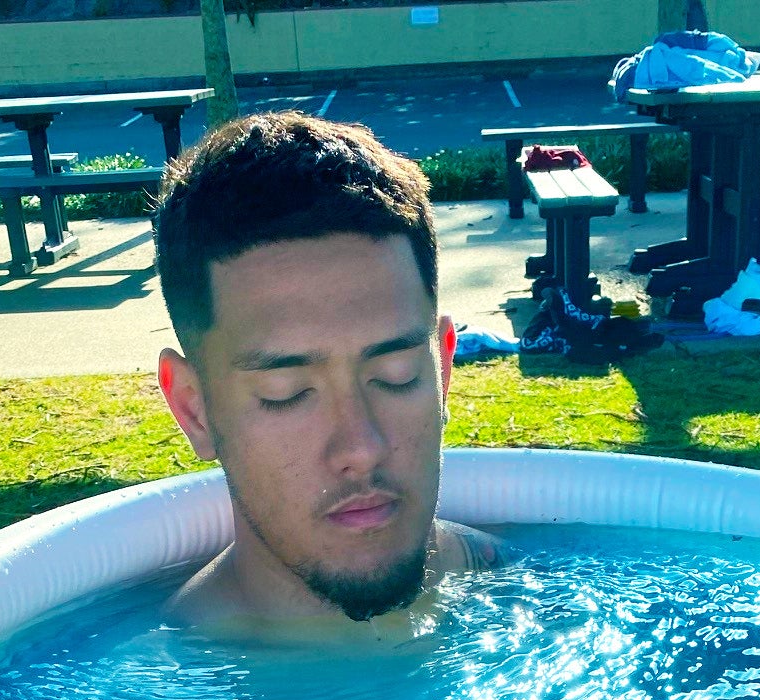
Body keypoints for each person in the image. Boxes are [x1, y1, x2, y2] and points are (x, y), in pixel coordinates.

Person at [152, 111, 500, 638]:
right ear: (194, 410)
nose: (361, 449)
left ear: (444, 371)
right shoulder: (151, 695)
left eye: (397, 375)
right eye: (286, 394)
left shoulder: (551, 603)